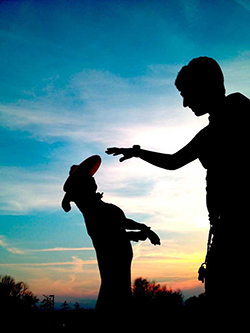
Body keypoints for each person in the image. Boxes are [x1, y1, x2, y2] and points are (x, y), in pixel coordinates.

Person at [106, 57, 250, 315]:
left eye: (186, 94)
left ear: (205, 86)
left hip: (237, 233)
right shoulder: (216, 126)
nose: (184, 103)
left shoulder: (236, 115)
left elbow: (175, 162)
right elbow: (174, 161)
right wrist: (137, 153)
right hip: (225, 230)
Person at [61, 155, 160, 321]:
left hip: (120, 258)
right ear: (81, 186)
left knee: (117, 294)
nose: (92, 180)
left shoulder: (98, 206)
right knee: (113, 294)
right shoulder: (91, 208)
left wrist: (143, 230)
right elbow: (113, 233)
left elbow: (120, 228)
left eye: (90, 177)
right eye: (87, 178)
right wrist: (143, 231)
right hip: (114, 259)